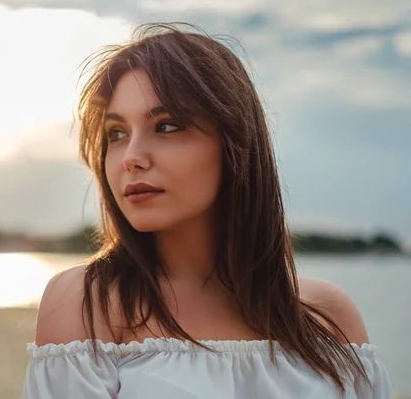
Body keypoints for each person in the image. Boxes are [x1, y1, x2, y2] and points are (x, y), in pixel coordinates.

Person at [22, 23, 392, 398]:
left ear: (235, 144)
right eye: (116, 134)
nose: (131, 158)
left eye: (166, 126)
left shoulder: (327, 317)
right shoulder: (87, 304)